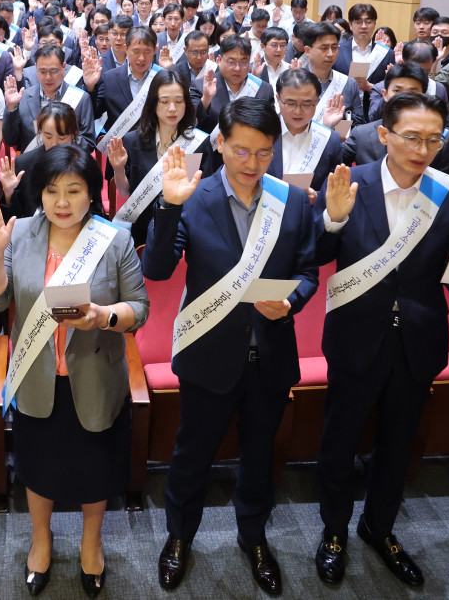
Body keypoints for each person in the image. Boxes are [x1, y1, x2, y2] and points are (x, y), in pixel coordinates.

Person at [312, 91, 449, 587]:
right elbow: (316, 252)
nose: (422, 148)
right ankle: (333, 531)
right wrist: (331, 218)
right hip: (356, 336)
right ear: (385, 135)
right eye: (411, 137)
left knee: (398, 445)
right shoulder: (352, 182)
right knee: (340, 440)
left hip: (418, 339)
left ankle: (379, 526)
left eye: (434, 139)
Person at [144, 97, 319, 596]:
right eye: (241, 152)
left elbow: (307, 272)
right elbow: (157, 269)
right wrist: (168, 204)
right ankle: (179, 537)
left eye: (264, 154)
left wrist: (292, 301)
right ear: (220, 144)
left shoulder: (290, 201)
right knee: (192, 455)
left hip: (270, 354)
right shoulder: (193, 197)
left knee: (261, 456)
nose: (251, 165)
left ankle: (254, 537)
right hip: (208, 352)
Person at [0, 145, 149, 598]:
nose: (62, 201)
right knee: (39, 468)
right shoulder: (20, 235)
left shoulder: (114, 240)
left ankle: (92, 542)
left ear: (92, 194)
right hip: (37, 378)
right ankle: (41, 538)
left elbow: (140, 308)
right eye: (52, 190)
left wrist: (103, 316)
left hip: (95, 375)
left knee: (96, 468)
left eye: (74, 190)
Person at [105, 69, 212, 247]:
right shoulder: (133, 141)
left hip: (183, 231)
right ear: (154, 104)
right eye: (164, 101)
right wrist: (118, 168)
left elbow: (200, 197)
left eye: (179, 101)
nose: (172, 108)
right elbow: (125, 191)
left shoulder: (197, 143)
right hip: (143, 232)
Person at [340, 63, 449, 174]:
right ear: (385, 94)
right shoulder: (361, 134)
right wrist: (330, 127)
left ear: (424, 95)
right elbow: (331, 164)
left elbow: (447, 185)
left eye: (413, 92)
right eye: (397, 91)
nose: (404, 98)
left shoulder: (442, 138)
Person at [3, 44, 96, 153]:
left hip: (68, 164)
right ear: (36, 67)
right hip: (32, 165)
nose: (48, 77)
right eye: (42, 71)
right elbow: (11, 140)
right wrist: (11, 108)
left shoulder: (81, 98)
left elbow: (88, 143)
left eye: (53, 71)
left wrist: (59, 137)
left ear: (63, 67)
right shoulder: (24, 97)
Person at [0, 102, 79, 221]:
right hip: (34, 233)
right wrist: (9, 192)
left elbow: (94, 212)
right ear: (40, 132)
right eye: (48, 136)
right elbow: (11, 218)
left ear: (73, 135)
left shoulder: (83, 164)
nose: (54, 144)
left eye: (62, 138)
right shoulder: (23, 163)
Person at [268, 68, 343, 195]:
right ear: (278, 99)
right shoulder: (262, 132)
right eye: (290, 103)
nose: (298, 111)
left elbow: (335, 189)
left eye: (307, 104)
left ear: (317, 101)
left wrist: (317, 197)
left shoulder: (330, 139)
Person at [193, 35, 275, 136]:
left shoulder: (263, 90)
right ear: (219, 60)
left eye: (243, 62)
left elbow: (270, 129)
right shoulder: (200, 86)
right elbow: (191, 124)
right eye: (231, 62)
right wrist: (206, 99)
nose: (237, 68)